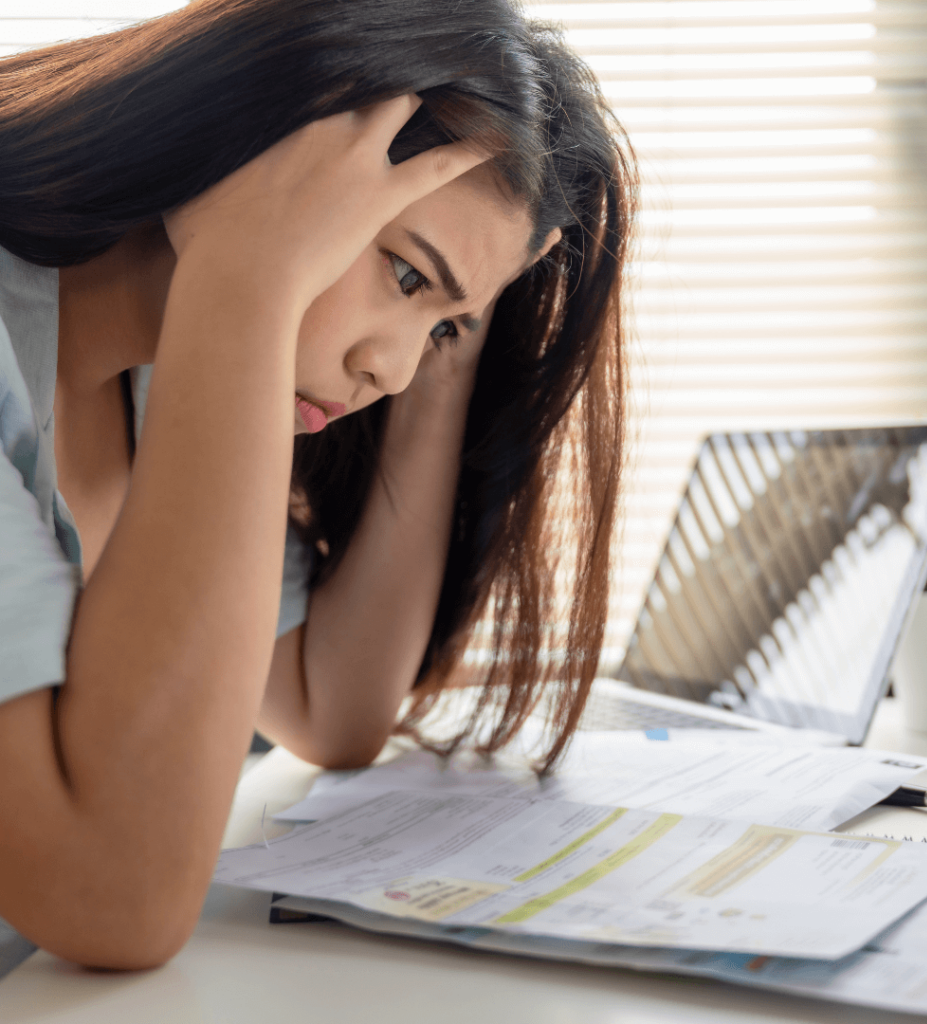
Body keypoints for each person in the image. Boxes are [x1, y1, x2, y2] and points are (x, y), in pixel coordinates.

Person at [0, 0, 635, 969]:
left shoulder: (162, 380)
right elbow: (117, 893)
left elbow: (327, 699)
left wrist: (463, 320)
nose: (393, 372)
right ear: (264, 146)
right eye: (406, 277)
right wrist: (248, 274)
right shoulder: (209, 327)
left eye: (438, 330)